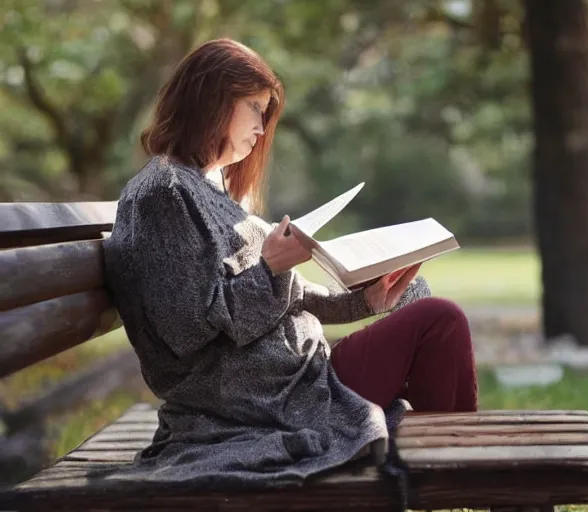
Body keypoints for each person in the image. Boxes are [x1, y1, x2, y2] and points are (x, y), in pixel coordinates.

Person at [103, 38, 478, 488]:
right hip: (264, 401)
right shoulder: (164, 194)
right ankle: (470, 470)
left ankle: (461, 462)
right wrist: (270, 267)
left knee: (418, 297)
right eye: (255, 108)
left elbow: (286, 298)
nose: (262, 128)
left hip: (296, 379)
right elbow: (186, 330)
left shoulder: (207, 190)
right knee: (441, 320)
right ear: (212, 100)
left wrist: (365, 301)